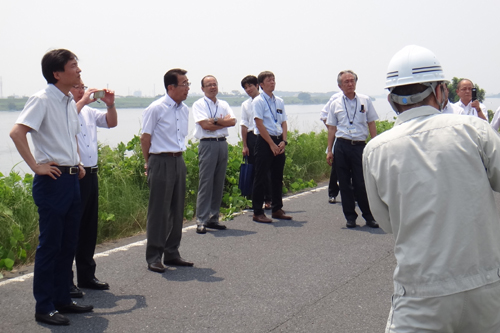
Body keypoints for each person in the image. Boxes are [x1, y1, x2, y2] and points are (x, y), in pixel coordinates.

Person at [364, 45, 500, 332]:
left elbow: (387, 222)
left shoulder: (376, 150)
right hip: (487, 285)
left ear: (391, 100)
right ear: (441, 91)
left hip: (421, 292)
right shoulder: (475, 130)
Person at [9, 49, 93, 326]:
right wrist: (35, 166)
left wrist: (76, 163)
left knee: (68, 242)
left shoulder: (69, 100)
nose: (79, 70)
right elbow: (17, 132)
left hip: (71, 178)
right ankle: (43, 306)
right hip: (52, 182)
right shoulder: (42, 98)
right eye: (73, 66)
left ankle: (61, 299)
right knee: (50, 245)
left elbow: (65, 139)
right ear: (57, 73)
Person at [140, 68, 194, 273]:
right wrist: (149, 163)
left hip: (178, 159)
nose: (187, 88)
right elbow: (145, 138)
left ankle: (172, 252)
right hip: (160, 160)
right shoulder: (156, 108)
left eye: (188, 84)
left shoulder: (184, 109)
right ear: (171, 87)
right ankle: (154, 256)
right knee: (158, 211)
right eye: (184, 84)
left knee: (177, 208)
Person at [68, 80, 117, 297]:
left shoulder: (88, 111)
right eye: (77, 86)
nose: (82, 90)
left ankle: (87, 276)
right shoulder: (67, 109)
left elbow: (111, 122)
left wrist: (110, 105)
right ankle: (66, 281)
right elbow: (66, 121)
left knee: (88, 227)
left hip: (91, 173)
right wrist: (82, 100)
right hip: (73, 175)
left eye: (84, 86)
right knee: (71, 229)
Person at [326, 70, 378, 229]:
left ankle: (369, 216)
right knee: (344, 183)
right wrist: (330, 150)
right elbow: (332, 128)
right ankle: (350, 216)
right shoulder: (335, 103)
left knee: (361, 183)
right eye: (346, 82)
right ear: (340, 86)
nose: (350, 84)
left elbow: (371, 123)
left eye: (352, 81)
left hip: (359, 146)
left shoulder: (365, 100)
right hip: (342, 145)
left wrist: (375, 143)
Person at [192, 75, 236, 234]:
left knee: (219, 182)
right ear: (202, 88)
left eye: (215, 84)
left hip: (222, 143)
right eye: (209, 85)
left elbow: (233, 122)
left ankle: (213, 218)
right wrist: (220, 122)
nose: (212, 87)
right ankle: (201, 220)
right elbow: (205, 125)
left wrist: (215, 121)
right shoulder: (199, 104)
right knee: (206, 182)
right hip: (208, 144)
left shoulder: (223, 104)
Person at [251, 71, 292, 223]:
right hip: (264, 141)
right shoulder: (258, 101)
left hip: (278, 140)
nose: (272, 82)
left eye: (273, 79)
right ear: (261, 84)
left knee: (277, 176)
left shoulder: (279, 101)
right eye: (269, 80)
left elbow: (284, 122)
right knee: (261, 177)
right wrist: (271, 144)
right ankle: (258, 211)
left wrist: (284, 141)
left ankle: (277, 208)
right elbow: (259, 124)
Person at [240, 75, 271, 206]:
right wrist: (245, 145)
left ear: (257, 85)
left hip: (265, 136)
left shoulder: (266, 100)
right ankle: (255, 199)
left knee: (267, 168)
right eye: (245, 88)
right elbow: (244, 125)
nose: (248, 89)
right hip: (252, 137)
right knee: (254, 168)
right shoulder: (245, 105)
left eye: (250, 86)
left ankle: (269, 198)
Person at [320, 92, 341, 203]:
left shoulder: (360, 99)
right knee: (336, 167)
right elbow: (323, 115)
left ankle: (354, 194)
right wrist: (332, 129)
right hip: (339, 138)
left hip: (354, 140)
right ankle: (332, 193)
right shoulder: (336, 98)